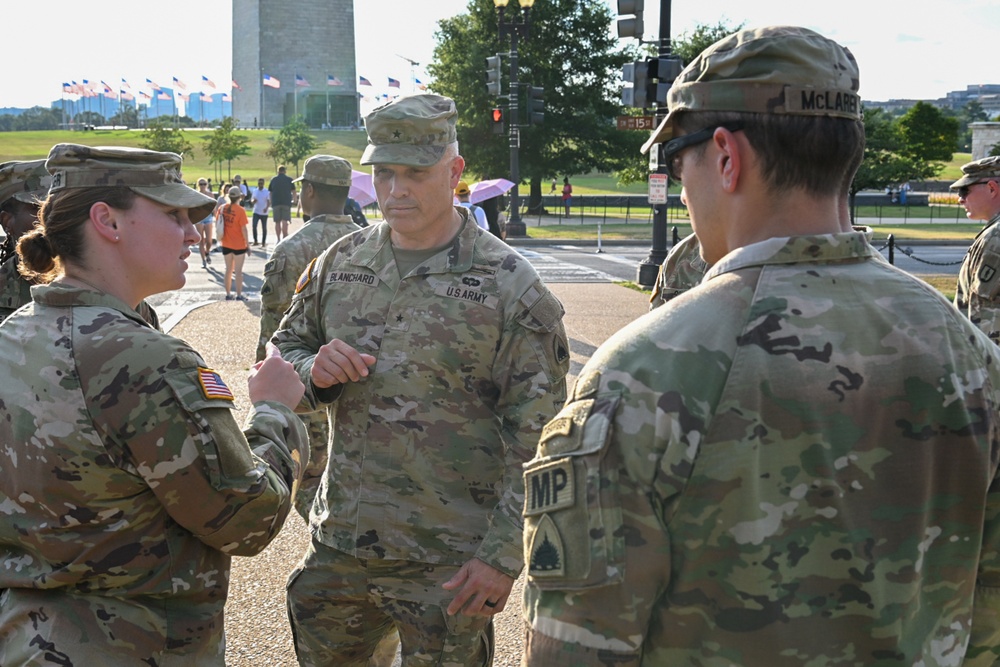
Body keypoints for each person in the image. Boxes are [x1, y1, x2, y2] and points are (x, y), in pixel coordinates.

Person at [522, 26, 1000, 665]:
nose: (680, 188)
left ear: (726, 156)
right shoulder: (970, 354)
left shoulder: (643, 372)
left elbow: (577, 647)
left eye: (677, 161)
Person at [276, 93, 570, 666]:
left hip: (450, 561)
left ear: (455, 172)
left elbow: (542, 439)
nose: (396, 191)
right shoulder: (342, 262)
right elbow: (284, 349)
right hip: (342, 546)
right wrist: (314, 371)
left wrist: (502, 557)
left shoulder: (509, 285)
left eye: (415, 173)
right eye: (384, 173)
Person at [0, 143, 308, 666]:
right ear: (107, 221)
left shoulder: (15, 334)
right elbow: (247, 519)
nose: (193, 233)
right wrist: (276, 411)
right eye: (173, 215)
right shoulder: (145, 360)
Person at [257, 155, 360, 520]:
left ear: (310, 191)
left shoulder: (293, 249)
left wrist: (264, 393)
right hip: (359, 393)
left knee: (308, 483)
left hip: (305, 389)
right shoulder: (369, 245)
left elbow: (274, 335)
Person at [952, 156, 1000, 343]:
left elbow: (983, 317)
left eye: (965, 191)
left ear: (991, 188)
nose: (960, 199)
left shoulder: (995, 238)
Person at [0, 159, 51, 322]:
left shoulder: (105, 285)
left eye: (59, 206)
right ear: (7, 222)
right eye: (37, 208)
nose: (51, 217)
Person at [219, 184, 250, 300]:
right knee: (238, 271)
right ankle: (239, 294)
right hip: (239, 244)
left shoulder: (222, 208)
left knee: (228, 270)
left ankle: (228, 294)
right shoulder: (240, 210)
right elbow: (244, 229)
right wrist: (248, 245)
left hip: (226, 243)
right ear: (239, 197)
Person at [269, 164, 295, 243]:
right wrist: (294, 200)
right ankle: (284, 237)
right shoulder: (289, 179)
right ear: (285, 171)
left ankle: (278, 238)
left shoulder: (273, 179)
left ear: (278, 171)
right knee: (285, 221)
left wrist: (271, 201)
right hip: (286, 202)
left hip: (276, 202)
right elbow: (294, 191)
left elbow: (270, 192)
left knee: (277, 222)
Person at [195, 177, 215, 267]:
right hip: (199, 218)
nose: (202, 186)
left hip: (208, 218)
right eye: (201, 184)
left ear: (207, 185)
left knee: (209, 240)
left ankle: (207, 252)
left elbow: (214, 207)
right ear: (198, 185)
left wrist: (216, 216)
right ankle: (203, 260)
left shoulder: (210, 194)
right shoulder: (196, 194)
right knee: (201, 240)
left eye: (204, 184)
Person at [251, 176, 271, 246]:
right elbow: (252, 200)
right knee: (254, 226)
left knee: (264, 228)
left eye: (261, 183)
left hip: (264, 212)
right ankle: (255, 241)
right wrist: (253, 201)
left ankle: (263, 242)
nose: (260, 184)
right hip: (256, 211)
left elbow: (268, 201)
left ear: (263, 183)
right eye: (259, 183)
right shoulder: (255, 191)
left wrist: (266, 208)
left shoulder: (266, 191)